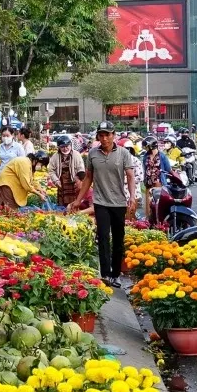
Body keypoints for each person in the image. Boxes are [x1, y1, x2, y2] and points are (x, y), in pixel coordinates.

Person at [69, 121, 137, 288]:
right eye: (101, 135)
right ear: (98, 136)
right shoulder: (92, 154)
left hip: (119, 202)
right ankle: (106, 274)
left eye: (108, 134)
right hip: (101, 202)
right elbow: (88, 178)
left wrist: (133, 197)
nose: (105, 138)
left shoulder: (123, 154)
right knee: (104, 237)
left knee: (118, 239)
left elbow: (130, 176)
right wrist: (78, 200)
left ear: (113, 135)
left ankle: (116, 275)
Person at [49, 135, 86, 207]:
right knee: (62, 205)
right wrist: (56, 180)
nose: (65, 149)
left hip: (74, 184)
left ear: (70, 145)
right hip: (61, 184)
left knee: (74, 204)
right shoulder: (55, 156)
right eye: (62, 147)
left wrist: (79, 181)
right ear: (59, 147)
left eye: (67, 146)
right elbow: (51, 171)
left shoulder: (76, 154)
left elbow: (81, 169)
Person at [141, 136, 171, 219]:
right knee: (148, 207)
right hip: (148, 185)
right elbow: (144, 168)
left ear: (151, 146)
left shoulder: (162, 156)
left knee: (158, 207)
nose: (145, 149)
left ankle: (160, 224)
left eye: (147, 147)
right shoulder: (145, 156)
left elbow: (168, 169)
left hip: (159, 185)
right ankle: (149, 224)